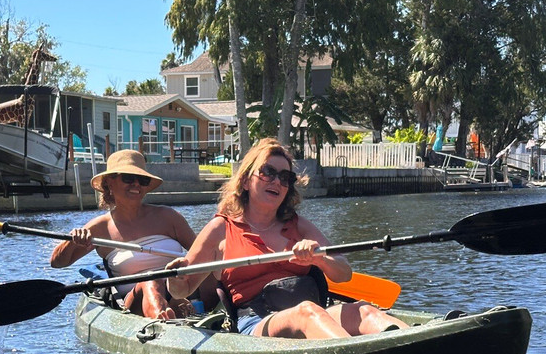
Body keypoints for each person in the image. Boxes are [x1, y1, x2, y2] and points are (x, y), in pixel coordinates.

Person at [167, 138, 408, 339]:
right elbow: (182, 289)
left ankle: (412, 346)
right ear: (245, 181)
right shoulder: (220, 228)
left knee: (364, 311)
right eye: (268, 172)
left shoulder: (299, 225)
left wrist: (320, 259)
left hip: (313, 313)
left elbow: (343, 273)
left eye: (285, 178)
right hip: (257, 323)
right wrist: (175, 276)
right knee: (306, 312)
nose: (277, 182)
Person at [50, 149, 210, 320]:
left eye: (142, 180)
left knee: (210, 273)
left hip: (177, 290)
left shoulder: (169, 217)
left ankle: (217, 314)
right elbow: (58, 262)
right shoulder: (100, 227)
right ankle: (163, 324)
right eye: (128, 178)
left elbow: (203, 255)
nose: (136, 185)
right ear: (110, 183)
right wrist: (73, 241)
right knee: (151, 280)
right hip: (134, 301)